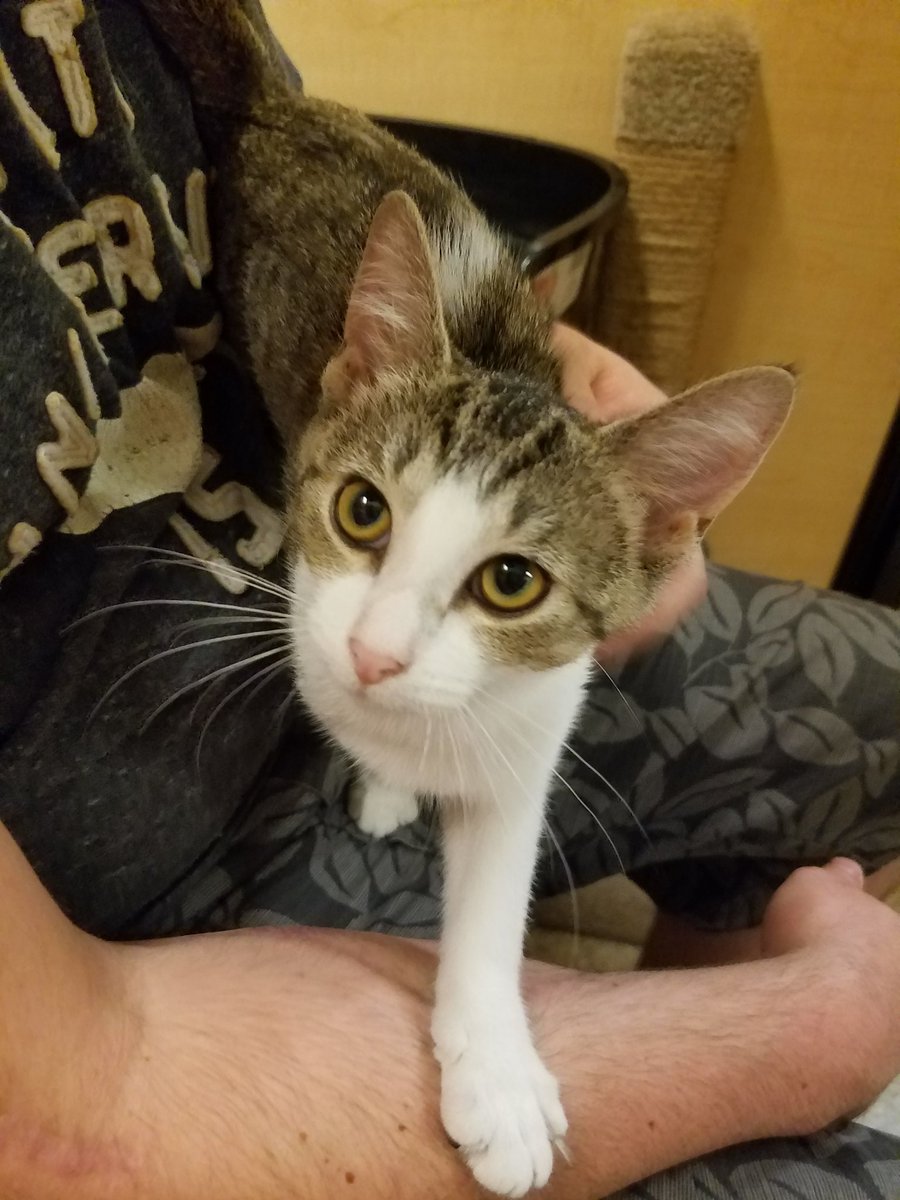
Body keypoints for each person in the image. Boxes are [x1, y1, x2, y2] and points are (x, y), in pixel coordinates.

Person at [0, 2, 897, 1197]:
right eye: (367, 517)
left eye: (508, 577)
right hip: (133, 922)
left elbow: (285, 166)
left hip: (347, 601)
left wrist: (544, 365)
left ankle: (701, 928)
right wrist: (819, 1023)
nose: (373, 647)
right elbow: (68, 1139)